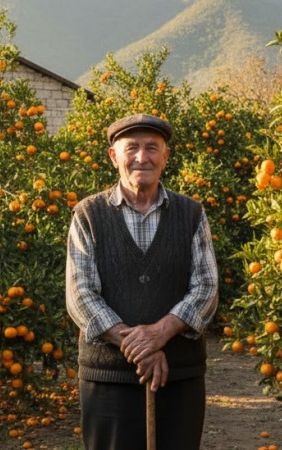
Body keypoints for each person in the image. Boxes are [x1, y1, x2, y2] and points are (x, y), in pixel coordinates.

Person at [66, 113, 219, 450]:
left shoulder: (191, 213)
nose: (141, 157)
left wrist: (160, 333)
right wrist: (141, 349)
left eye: (152, 148)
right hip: (108, 380)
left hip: (179, 375)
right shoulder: (88, 214)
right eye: (131, 147)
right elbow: (80, 294)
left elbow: (206, 287)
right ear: (113, 156)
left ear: (165, 156)